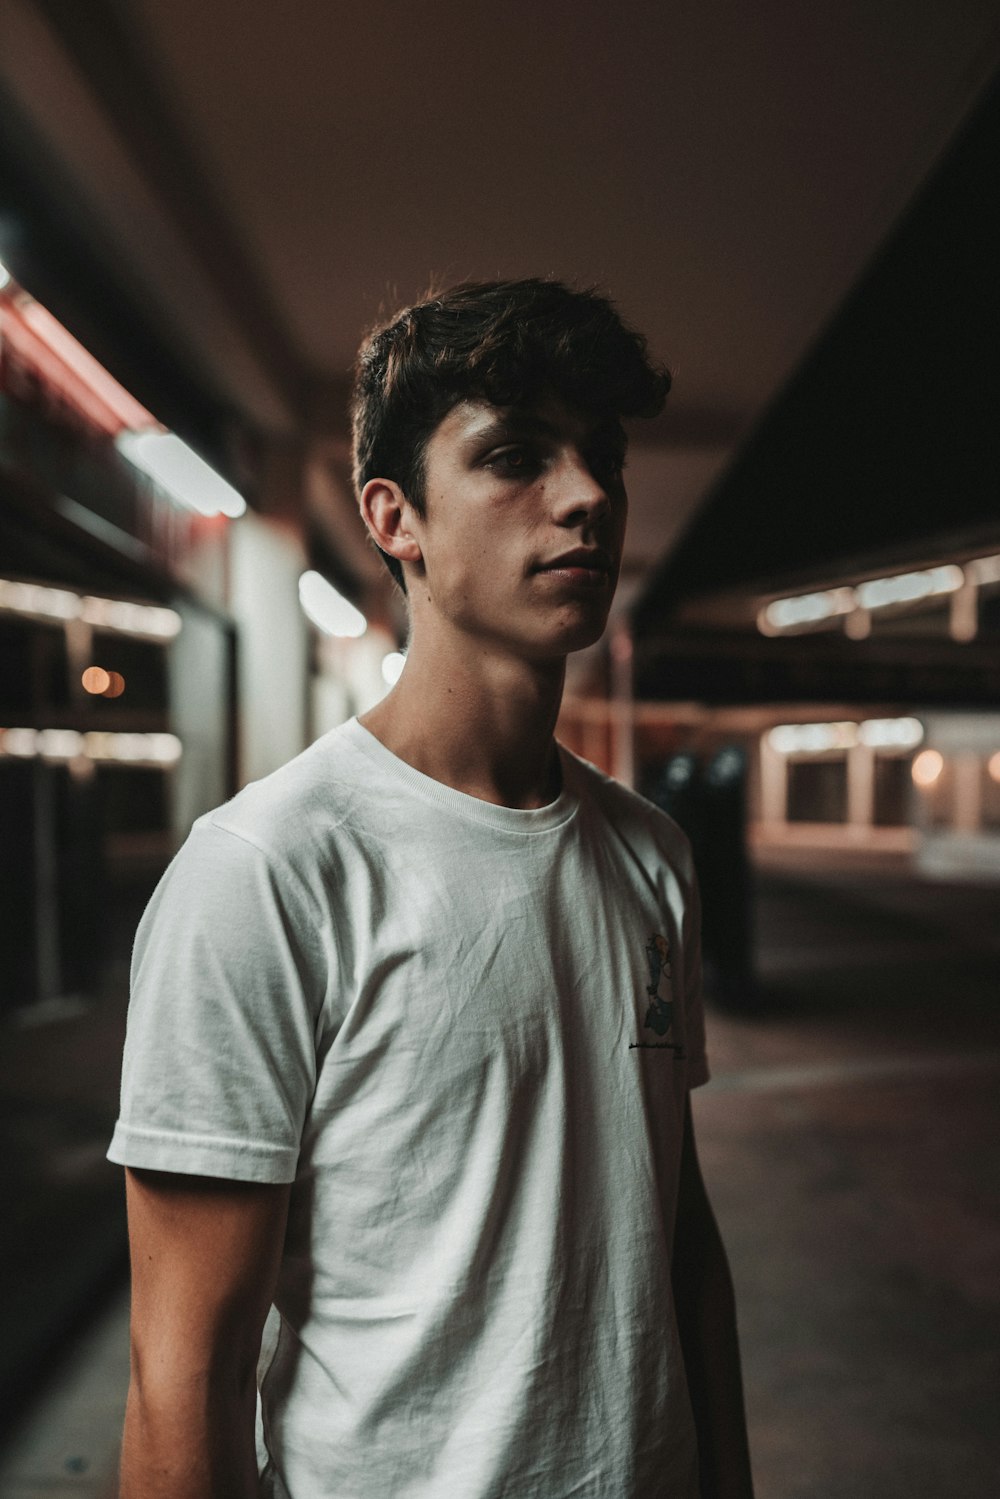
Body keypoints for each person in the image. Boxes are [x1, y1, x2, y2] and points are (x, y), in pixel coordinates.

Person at [109, 278, 755, 1499]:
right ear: (393, 517)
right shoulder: (268, 871)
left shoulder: (652, 853)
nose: (584, 498)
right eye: (514, 455)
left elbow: (675, 1230)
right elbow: (180, 1374)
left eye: (600, 457)